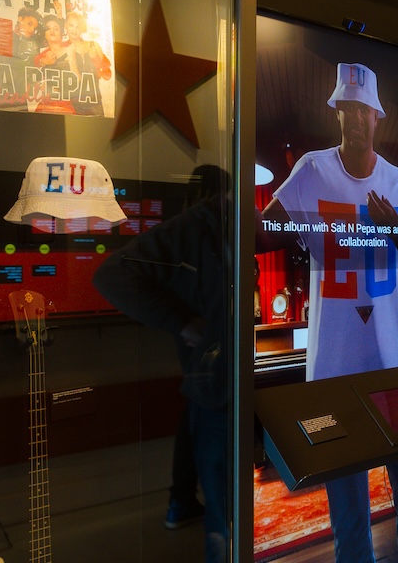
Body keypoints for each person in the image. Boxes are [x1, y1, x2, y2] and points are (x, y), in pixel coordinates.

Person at [256, 63, 398, 563]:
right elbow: (262, 232)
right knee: (349, 510)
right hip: (334, 364)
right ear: (337, 113)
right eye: (347, 109)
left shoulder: (397, 181)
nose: (355, 118)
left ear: (377, 117)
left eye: (364, 109)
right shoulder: (312, 169)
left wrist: (394, 225)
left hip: (394, 358)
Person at [93, 165, 231, 563]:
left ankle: (180, 502)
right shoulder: (192, 230)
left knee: (224, 510)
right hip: (213, 384)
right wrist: (182, 322)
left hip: (214, 382)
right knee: (224, 522)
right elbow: (111, 275)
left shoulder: (218, 231)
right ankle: (183, 503)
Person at [64, 10, 112, 116]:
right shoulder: (62, 49)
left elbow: (107, 75)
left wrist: (95, 58)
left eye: (78, 27)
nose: (74, 30)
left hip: (94, 103)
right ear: (65, 26)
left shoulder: (93, 45)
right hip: (71, 105)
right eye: (71, 25)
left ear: (82, 28)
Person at [33, 15, 78, 114]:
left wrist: (72, 60)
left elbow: (79, 82)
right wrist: (44, 62)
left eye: (56, 28)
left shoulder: (71, 50)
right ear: (44, 34)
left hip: (67, 106)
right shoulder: (40, 57)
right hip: (46, 106)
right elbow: (36, 83)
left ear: (62, 33)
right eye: (48, 28)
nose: (52, 31)